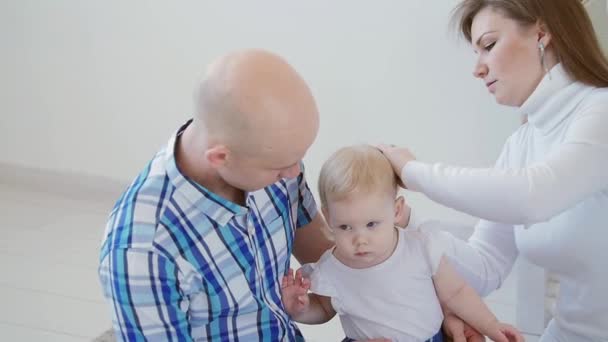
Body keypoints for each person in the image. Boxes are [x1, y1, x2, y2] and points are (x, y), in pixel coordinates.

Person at [379, 0, 608, 341]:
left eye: (488, 45)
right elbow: (484, 266)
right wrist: (408, 227)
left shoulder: (600, 111)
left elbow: (534, 196)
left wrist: (413, 172)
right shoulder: (522, 144)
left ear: (542, 34)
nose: (478, 68)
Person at [98, 49, 334, 341]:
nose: (294, 172)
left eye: (299, 158)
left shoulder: (272, 160)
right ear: (221, 157)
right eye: (281, 166)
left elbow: (335, 263)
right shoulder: (144, 250)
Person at [280, 145, 523, 342]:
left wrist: (491, 325)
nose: (360, 239)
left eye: (372, 224)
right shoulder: (331, 268)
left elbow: (456, 292)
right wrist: (300, 309)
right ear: (329, 217)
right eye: (345, 227)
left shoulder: (421, 246)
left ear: (396, 211)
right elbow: (323, 309)